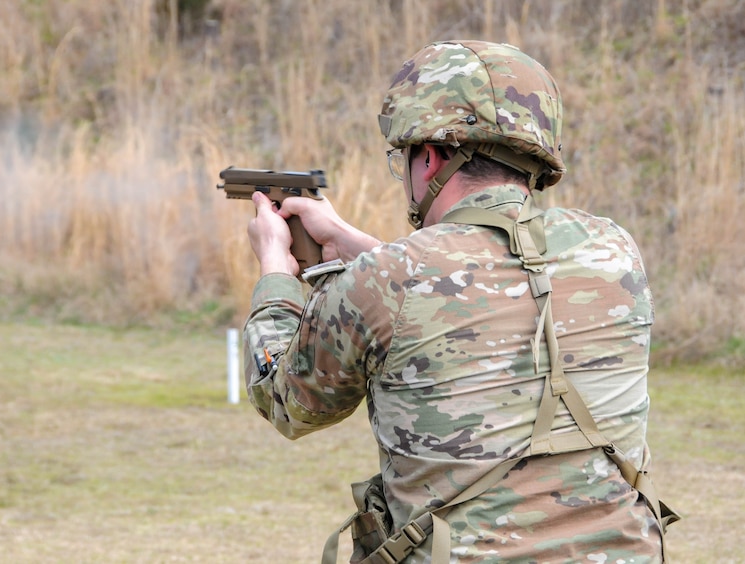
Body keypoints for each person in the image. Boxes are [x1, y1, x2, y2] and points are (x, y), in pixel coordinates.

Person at [242, 40, 676, 563]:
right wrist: (360, 249)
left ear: (429, 158)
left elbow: (288, 404)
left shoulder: (388, 279)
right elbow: (486, 285)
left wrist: (275, 271)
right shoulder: (613, 250)